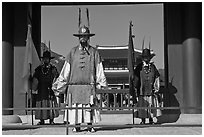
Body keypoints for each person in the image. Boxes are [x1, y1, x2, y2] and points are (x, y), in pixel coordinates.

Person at [52, 25, 107, 132]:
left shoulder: (94, 52)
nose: (83, 38)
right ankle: (77, 126)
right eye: (81, 36)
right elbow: (66, 69)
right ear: (78, 37)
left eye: (85, 36)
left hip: (89, 86)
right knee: (75, 107)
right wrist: (59, 84)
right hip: (74, 86)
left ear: (88, 37)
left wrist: (102, 83)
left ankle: (90, 125)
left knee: (89, 106)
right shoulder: (72, 52)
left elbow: (99, 68)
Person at [134, 47, 162, 124]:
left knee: (151, 104)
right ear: (142, 58)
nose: (146, 59)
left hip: (150, 89)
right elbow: (136, 77)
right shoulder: (139, 67)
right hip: (141, 89)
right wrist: (135, 86)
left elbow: (157, 77)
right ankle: (142, 120)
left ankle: (151, 119)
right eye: (145, 57)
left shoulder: (153, 67)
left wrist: (156, 87)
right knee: (142, 105)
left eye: (148, 57)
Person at [32, 50, 59, 125]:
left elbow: (57, 77)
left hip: (50, 88)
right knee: (41, 103)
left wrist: (54, 86)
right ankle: (42, 120)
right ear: (43, 59)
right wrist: (33, 85)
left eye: (47, 58)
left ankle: (51, 120)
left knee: (51, 104)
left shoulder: (53, 68)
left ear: (49, 59)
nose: (46, 60)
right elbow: (35, 78)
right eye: (44, 58)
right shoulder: (39, 69)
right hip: (41, 88)